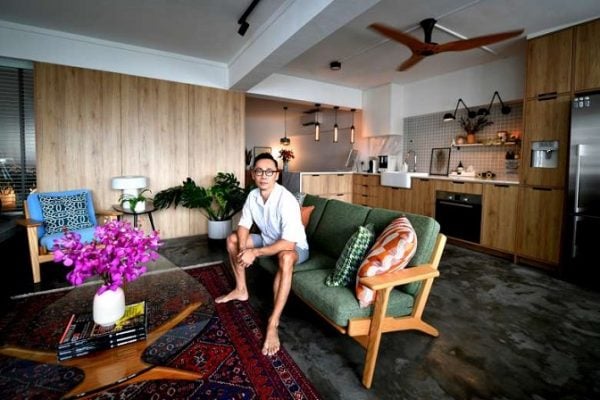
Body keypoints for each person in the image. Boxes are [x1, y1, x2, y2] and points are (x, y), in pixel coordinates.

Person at [215, 152, 309, 356]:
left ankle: (273, 323)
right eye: (259, 171)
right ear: (253, 174)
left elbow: (289, 243)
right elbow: (243, 225)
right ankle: (241, 289)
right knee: (232, 239)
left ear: (277, 175)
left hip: (294, 247)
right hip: (268, 240)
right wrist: (242, 250)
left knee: (285, 257)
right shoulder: (253, 196)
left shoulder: (286, 200)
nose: (264, 175)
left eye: (269, 171)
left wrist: (254, 252)